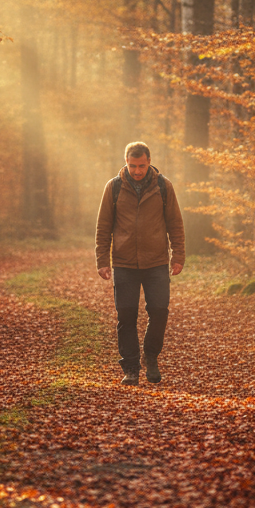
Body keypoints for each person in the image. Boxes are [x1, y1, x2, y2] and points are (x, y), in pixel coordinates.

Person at [95, 141, 185, 385]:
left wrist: (178, 255)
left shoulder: (163, 187)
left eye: (141, 166)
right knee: (126, 315)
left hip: (156, 262)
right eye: (133, 165)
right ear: (126, 162)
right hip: (124, 263)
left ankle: (151, 356)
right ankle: (131, 368)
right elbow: (104, 226)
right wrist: (103, 259)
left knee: (159, 311)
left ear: (149, 162)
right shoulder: (113, 188)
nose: (137, 171)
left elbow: (175, 223)